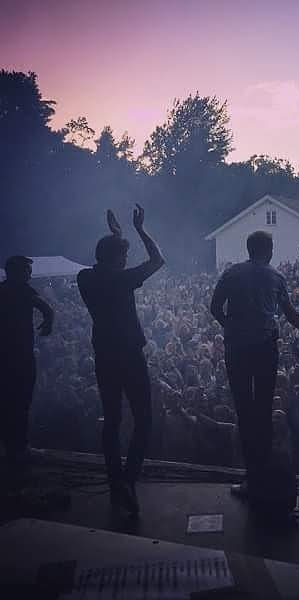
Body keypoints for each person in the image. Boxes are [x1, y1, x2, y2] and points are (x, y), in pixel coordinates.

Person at [210, 231, 299, 501]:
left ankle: (252, 477)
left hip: (237, 349)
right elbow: (290, 312)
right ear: (268, 249)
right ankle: (264, 477)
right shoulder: (275, 276)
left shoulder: (232, 273)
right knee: (263, 411)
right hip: (265, 349)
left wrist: (232, 327)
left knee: (245, 412)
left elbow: (214, 308)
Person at [78, 206, 165, 514]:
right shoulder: (122, 280)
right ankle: (129, 480)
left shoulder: (85, 278)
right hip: (129, 354)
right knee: (143, 419)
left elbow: (106, 265)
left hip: (104, 354)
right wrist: (139, 230)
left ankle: (117, 483)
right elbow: (157, 260)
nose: (127, 260)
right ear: (118, 259)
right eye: (124, 256)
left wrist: (117, 237)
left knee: (112, 420)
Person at [0, 256, 54, 491]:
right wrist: (49, 321)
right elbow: (46, 308)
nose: (30, 275)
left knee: (8, 401)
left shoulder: (3, 290)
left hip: (5, 355)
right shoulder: (21, 291)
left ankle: (11, 447)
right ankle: (19, 450)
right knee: (21, 401)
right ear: (17, 272)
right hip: (19, 356)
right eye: (27, 271)